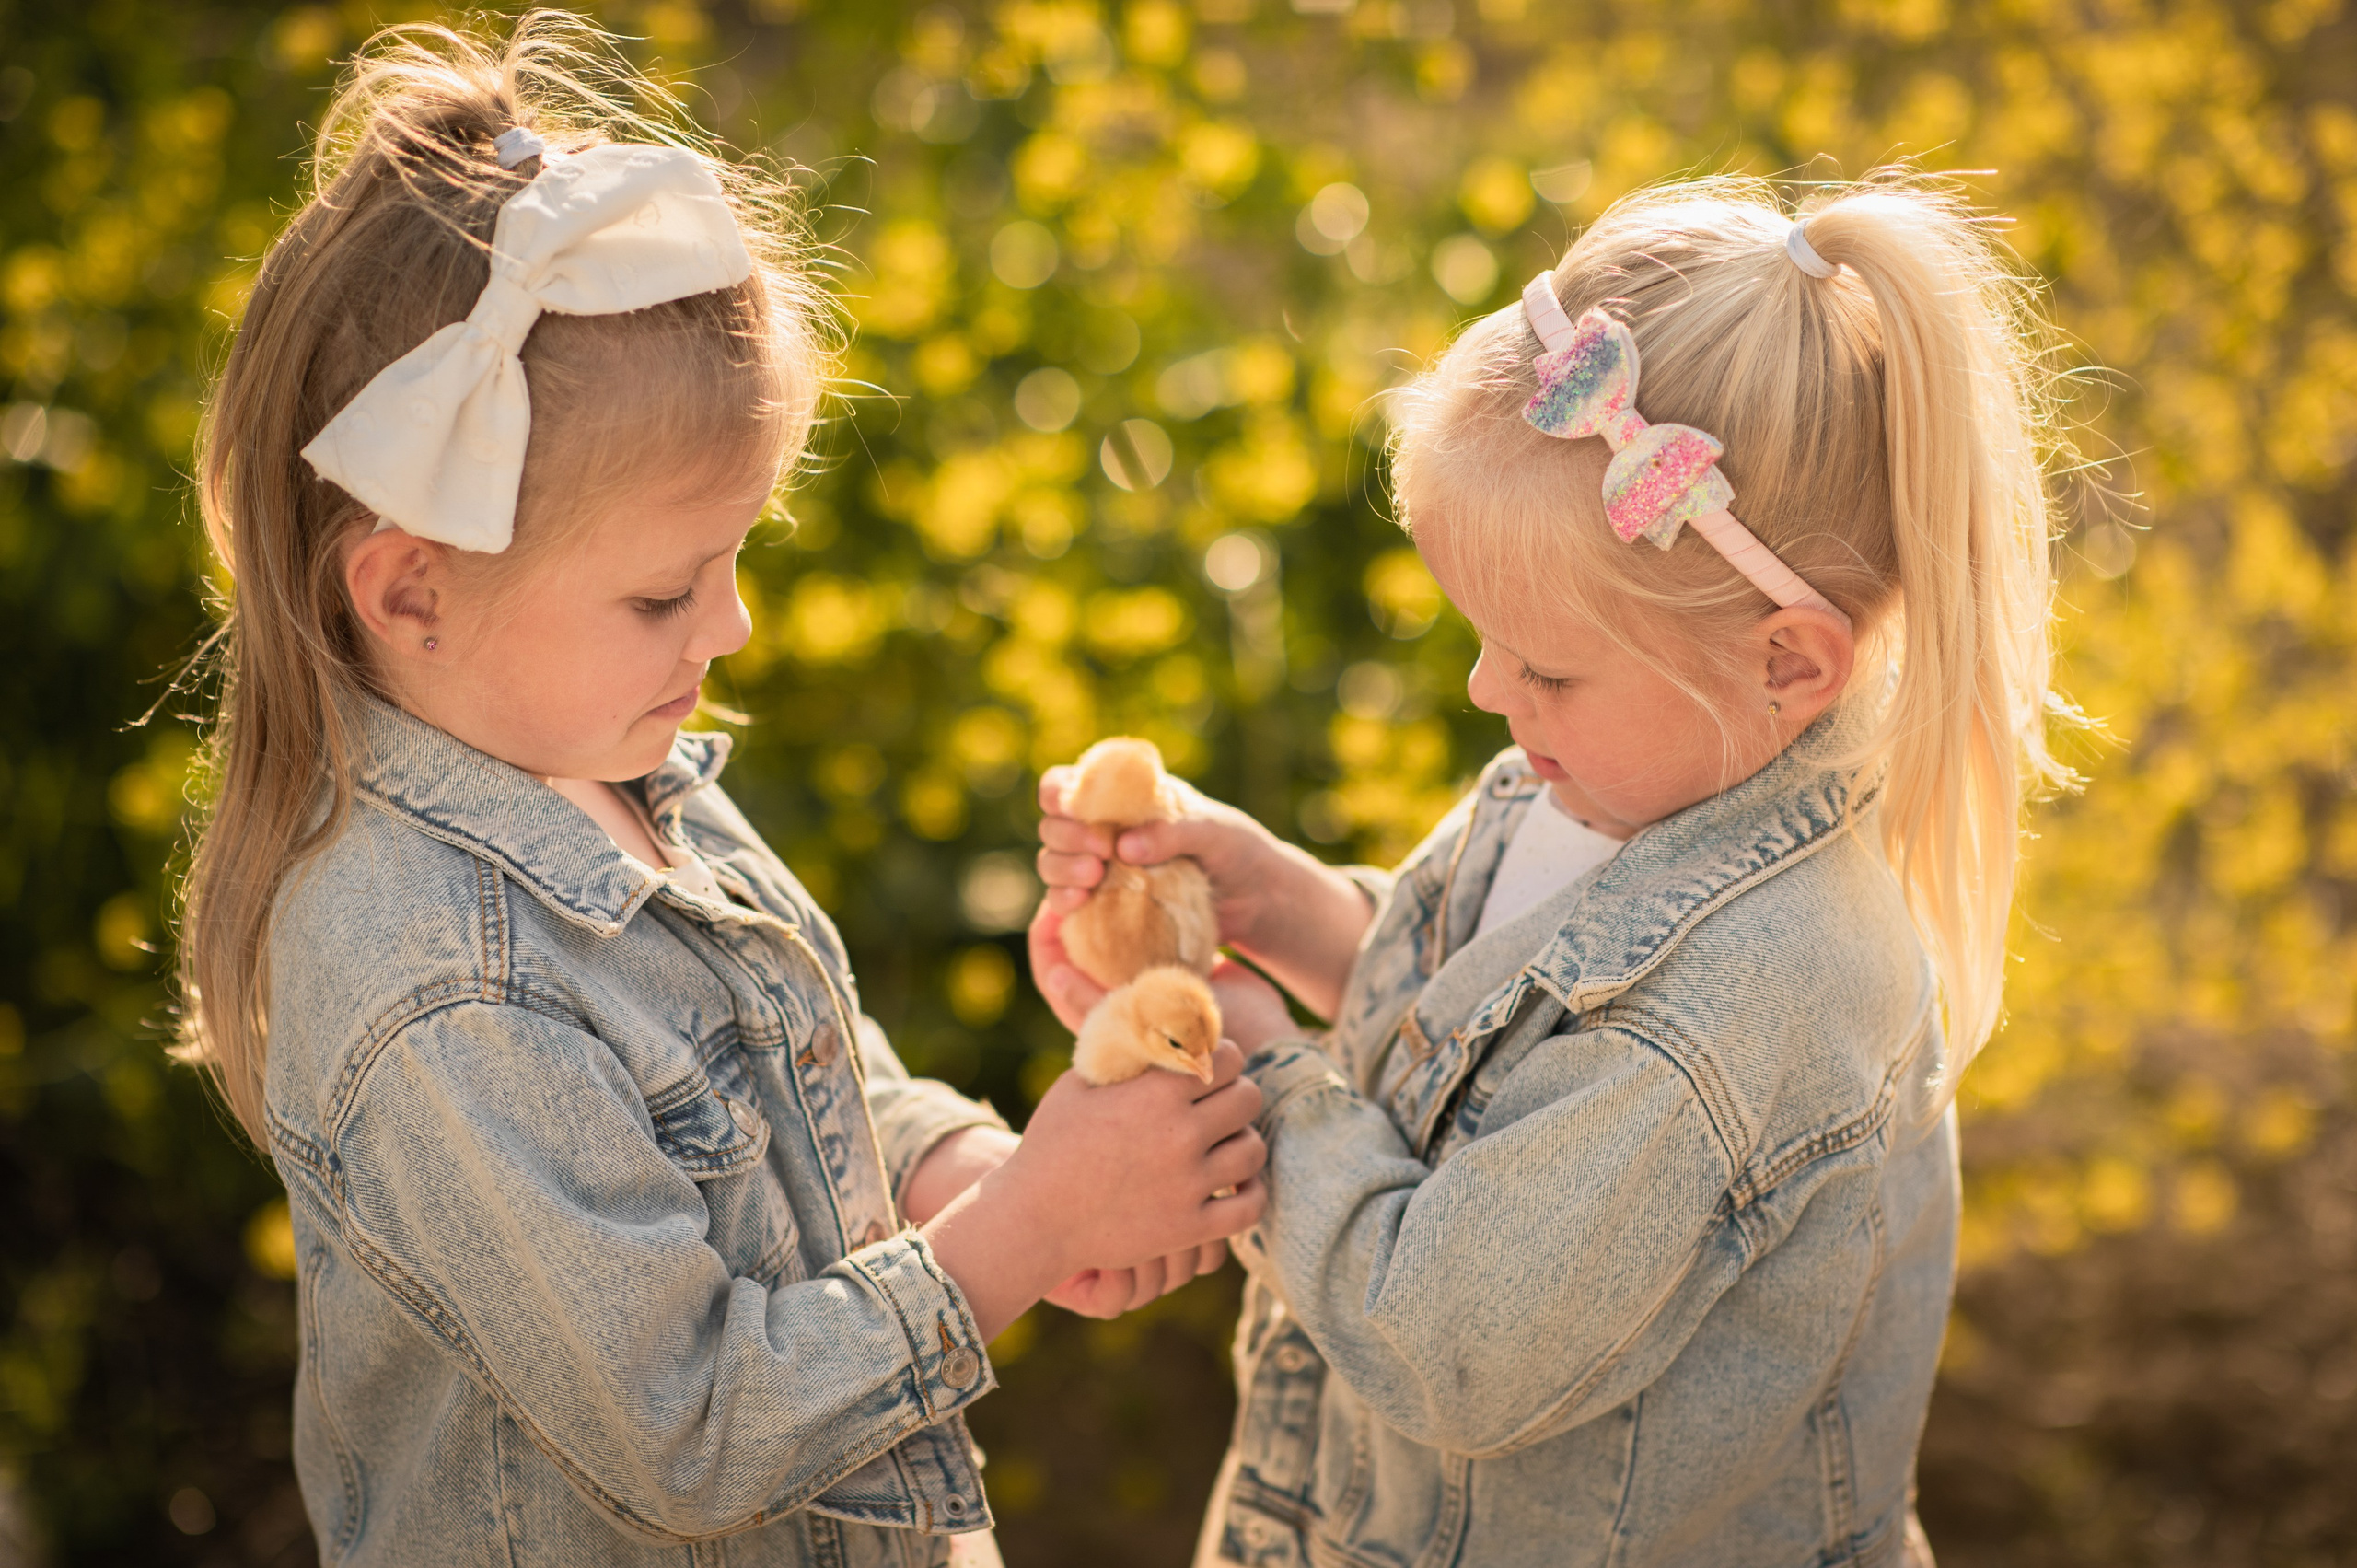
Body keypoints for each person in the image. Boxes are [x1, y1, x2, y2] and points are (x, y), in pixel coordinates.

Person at [171, 16, 1265, 1564]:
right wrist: (1017, 1240)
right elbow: (684, 1428)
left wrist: (980, 1177)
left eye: (735, 558)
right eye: (663, 592)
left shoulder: (610, 761)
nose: (732, 627)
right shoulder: (439, 987)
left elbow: (801, 1083)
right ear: (411, 591)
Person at [1031, 176, 2075, 1567]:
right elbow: (1485, 1027)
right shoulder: (1621, 770)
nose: (1486, 690)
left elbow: (1449, 1341)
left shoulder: (1758, 994)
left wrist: (1259, 1061)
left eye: (1544, 667)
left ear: (1785, 661)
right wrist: (1276, 903)